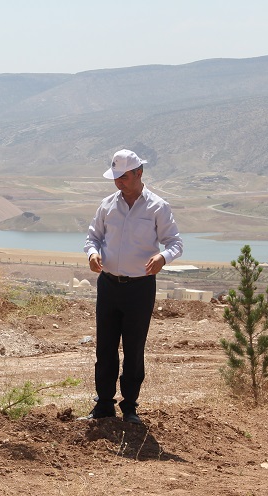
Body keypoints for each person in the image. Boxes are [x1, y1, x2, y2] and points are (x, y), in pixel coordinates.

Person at [82, 149, 183, 424]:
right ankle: (103, 405)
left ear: (139, 173)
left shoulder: (158, 207)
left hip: (140, 288)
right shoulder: (106, 205)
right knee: (105, 347)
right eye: (115, 177)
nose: (118, 182)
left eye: (123, 176)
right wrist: (92, 254)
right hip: (109, 284)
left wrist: (163, 257)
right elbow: (92, 237)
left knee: (134, 348)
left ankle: (130, 408)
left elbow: (175, 242)